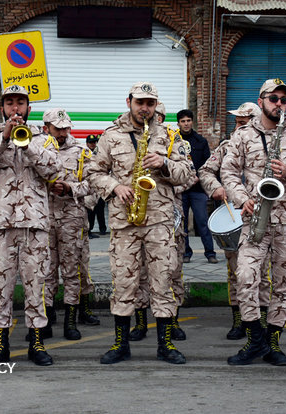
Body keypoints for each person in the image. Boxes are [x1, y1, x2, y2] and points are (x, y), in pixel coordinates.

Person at [87, 82, 194, 364]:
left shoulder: (170, 136)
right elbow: (92, 171)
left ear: (156, 105)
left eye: (150, 103)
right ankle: (121, 345)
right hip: (125, 222)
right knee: (123, 282)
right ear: (129, 102)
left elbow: (187, 174)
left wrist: (165, 163)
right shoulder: (110, 136)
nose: (145, 108)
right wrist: (114, 187)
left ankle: (165, 345)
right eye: (140, 102)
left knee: (163, 280)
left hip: (159, 222)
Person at [221, 78, 286, 366]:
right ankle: (255, 339)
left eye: (283, 100)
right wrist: (241, 198)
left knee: (283, 283)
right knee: (246, 277)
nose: (279, 104)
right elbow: (228, 172)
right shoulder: (242, 134)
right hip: (255, 219)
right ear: (261, 99)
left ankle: (273, 342)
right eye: (273, 98)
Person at [0, 84, 62, 366]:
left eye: (20, 103)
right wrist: (5, 139)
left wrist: (27, 144)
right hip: (0, 224)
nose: (15, 108)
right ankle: (0, 345)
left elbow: (53, 169)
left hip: (34, 224)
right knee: (2, 287)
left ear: (28, 108)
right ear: (2, 108)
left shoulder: (44, 140)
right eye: (10, 103)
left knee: (37, 285)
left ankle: (36, 342)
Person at [201, 102, 273, 340]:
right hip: (233, 219)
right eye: (237, 122)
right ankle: (239, 320)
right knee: (235, 273)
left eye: (243, 122)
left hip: (262, 218)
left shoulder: (272, 145)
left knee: (263, 273)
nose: (238, 127)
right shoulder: (225, 147)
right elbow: (205, 171)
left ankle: (261, 322)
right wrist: (217, 187)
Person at [41, 108, 94, 341]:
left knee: (72, 271)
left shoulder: (82, 152)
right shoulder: (36, 150)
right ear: (46, 128)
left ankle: (71, 322)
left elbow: (93, 185)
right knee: (46, 272)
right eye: (57, 128)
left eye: (65, 128)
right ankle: (45, 321)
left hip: (73, 219)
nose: (62, 133)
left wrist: (70, 188)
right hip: (44, 218)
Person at [178, 109, 218, 264]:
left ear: (192, 122)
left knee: (202, 221)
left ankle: (210, 253)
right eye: (183, 121)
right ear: (178, 123)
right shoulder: (173, 141)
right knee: (182, 224)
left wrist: (198, 178)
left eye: (188, 120)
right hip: (181, 189)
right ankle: (186, 252)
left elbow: (207, 164)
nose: (186, 124)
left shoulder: (201, 140)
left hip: (198, 189)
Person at [85, 134, 106, 239]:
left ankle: (103, 229)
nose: (93, 144)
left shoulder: (99, 152)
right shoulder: (84, 153)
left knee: (100, 208)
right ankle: (89, 230)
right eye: (91, 142)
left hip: (99, 185)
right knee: (90, 210)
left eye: (94, 142)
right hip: (89, 186)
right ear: (87, 143)